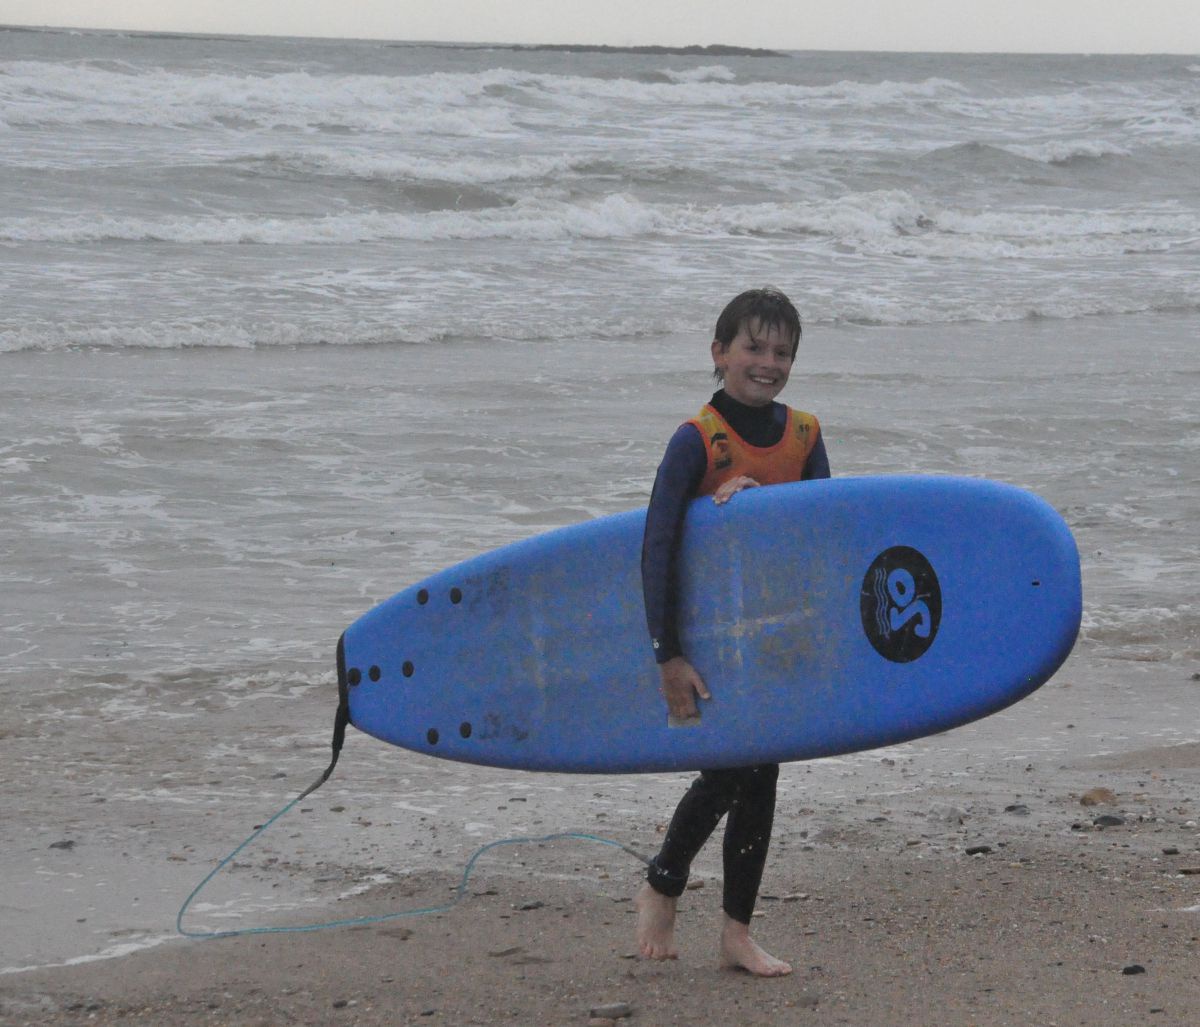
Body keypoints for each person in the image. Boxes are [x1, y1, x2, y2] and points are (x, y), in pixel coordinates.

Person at [635, 287, 830, 977]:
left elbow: (819, 538)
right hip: (709, 639)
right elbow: (658, 546)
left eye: (782, 350)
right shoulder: (696, 441)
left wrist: (761, 507)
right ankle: (663, 882)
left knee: (762, 773)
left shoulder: (804, 435)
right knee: (727, 772)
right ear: (720, 353)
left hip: (775, 636)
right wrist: (669, 654)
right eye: (753, 346)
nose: (767, 361)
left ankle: (736, 932)